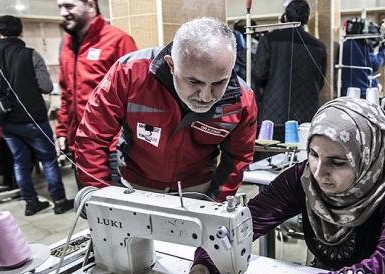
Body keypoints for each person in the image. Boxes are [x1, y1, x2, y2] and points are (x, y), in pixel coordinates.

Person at [157, 97, 385, 274]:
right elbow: (246, 223)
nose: (320, 172)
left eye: (338, 162)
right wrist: (201, 269)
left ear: (369, 156)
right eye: (314, 154)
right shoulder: (303, 178)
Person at [74, 17, 257, 202]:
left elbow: (238, 158)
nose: (206, 96)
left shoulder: (242, 101)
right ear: (171, 65)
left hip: (196, 190)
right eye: (194, 81)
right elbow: (92, 136)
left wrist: (215, 204)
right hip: (135, 186)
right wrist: (100, 197)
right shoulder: (129, 73)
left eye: (219, 82)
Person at [0, 15, 74, 216]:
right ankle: (59, 201)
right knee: (49, 159)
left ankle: (30, 202)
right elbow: (45, 86)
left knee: (20, 162)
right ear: (21, 32)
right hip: (33, 118)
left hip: (6, 121)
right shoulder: (30, 55)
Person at [55, 0, 137, 186]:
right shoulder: (67, 44)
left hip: (112, 146)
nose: (62, 12)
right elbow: (67, 93)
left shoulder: (118, 40)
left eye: (68, 6)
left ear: (90, 5)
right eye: (59, 7)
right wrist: (62, 130)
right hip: (81, 145)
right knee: (89, 205)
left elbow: (137, 95)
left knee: (117, 209)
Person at [252, 0, 327, 140]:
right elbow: (320, 81)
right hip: (307, 116)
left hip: (273, 116)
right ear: (307, 19)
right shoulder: (319, 46)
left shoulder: (269, 40)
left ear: (285, 17)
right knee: (301, 158)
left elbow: (259, 74)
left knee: (271, 160)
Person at [339, 17, 385, 98]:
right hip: (364, 91)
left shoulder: (343, 45)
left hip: (347, 91)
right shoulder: (364, 47)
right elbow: (375, 64)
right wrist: (383, 50)